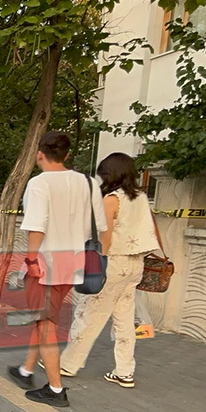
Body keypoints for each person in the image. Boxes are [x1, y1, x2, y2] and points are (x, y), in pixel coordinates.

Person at [7, 131, 107, 407]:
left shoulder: (39, 184)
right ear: (67, 155)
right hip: (74, 263)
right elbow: (100, 226)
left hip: (45, 265)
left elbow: (36, 227)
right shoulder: (88, 183)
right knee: (45, 318)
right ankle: (26, 370)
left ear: (39, 153)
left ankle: (55, 388)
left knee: (45, 323)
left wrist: (30, 261)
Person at [59, 153, 159, 387]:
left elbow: (105, 236)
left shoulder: (112, 200)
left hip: (113, 263)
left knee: (89, 314)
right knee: (124, 319)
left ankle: (68, 364)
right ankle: (125, 371)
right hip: (135, 264)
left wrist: (96, 263)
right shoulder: (141, 197)